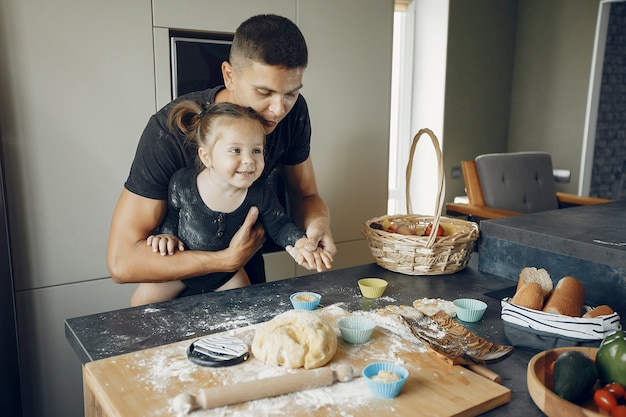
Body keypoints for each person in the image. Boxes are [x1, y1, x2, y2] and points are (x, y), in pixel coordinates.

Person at [107, 14, 336, 299]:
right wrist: (225, 260)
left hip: (241, 277)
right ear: (229, 75)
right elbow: (121, 263)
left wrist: (317, 226)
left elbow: (305, 195)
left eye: (290, 93)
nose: (279, 109)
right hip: (173, 284)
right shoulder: (167, 132)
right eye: (264, 92)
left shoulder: (294, 112)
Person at [130, 103, 333, 306]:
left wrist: (300, 243)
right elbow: (172, 213)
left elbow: (280, 227)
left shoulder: (260, 193)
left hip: (228, 274)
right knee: (137, 306)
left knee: (246, 313)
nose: (249, 160)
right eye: (235, 150)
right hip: (181, 268)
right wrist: (166, 235)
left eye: (256, 150)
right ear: (206, 156)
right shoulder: (182, 183)